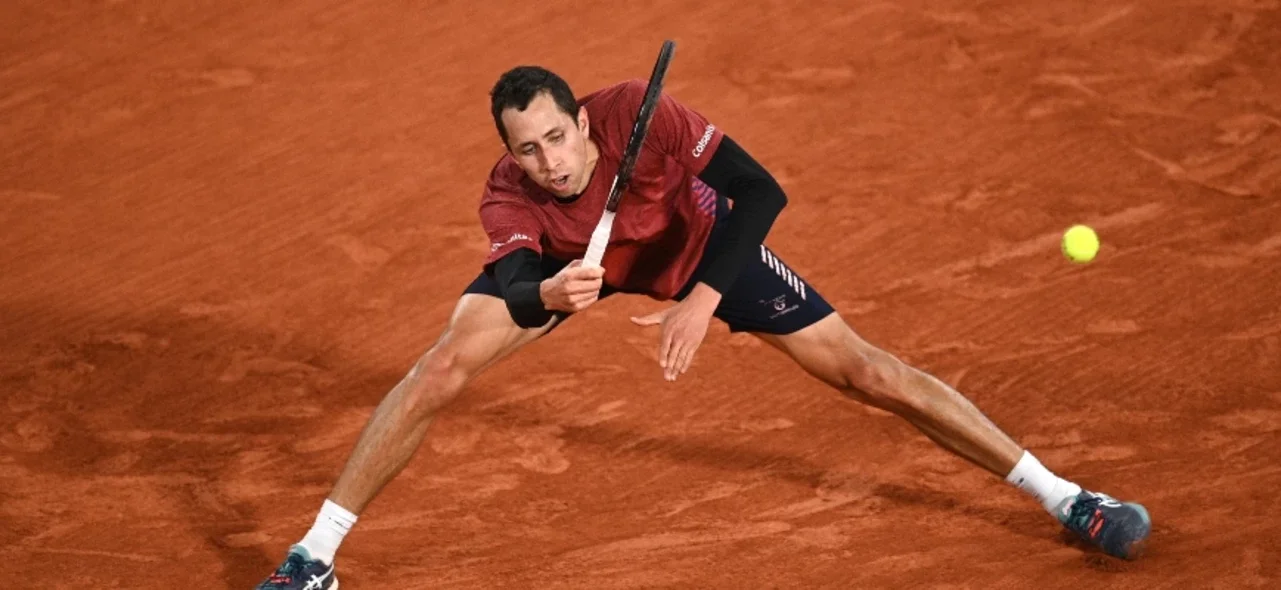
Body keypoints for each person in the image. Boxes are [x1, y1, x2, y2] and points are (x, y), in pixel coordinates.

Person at [256, 66, 1151, 589]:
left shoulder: (643, 119)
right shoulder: (511, 195)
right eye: (526, 150)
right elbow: (517, 278)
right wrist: (547, 298)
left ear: (581, 123)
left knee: (867, 373)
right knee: (443, 365)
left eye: (557, 139)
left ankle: (1067, 498)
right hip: (584, 267)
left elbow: (761, 192)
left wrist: (703, 298)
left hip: (697, 253)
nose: (548, 162)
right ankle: (317, 558)